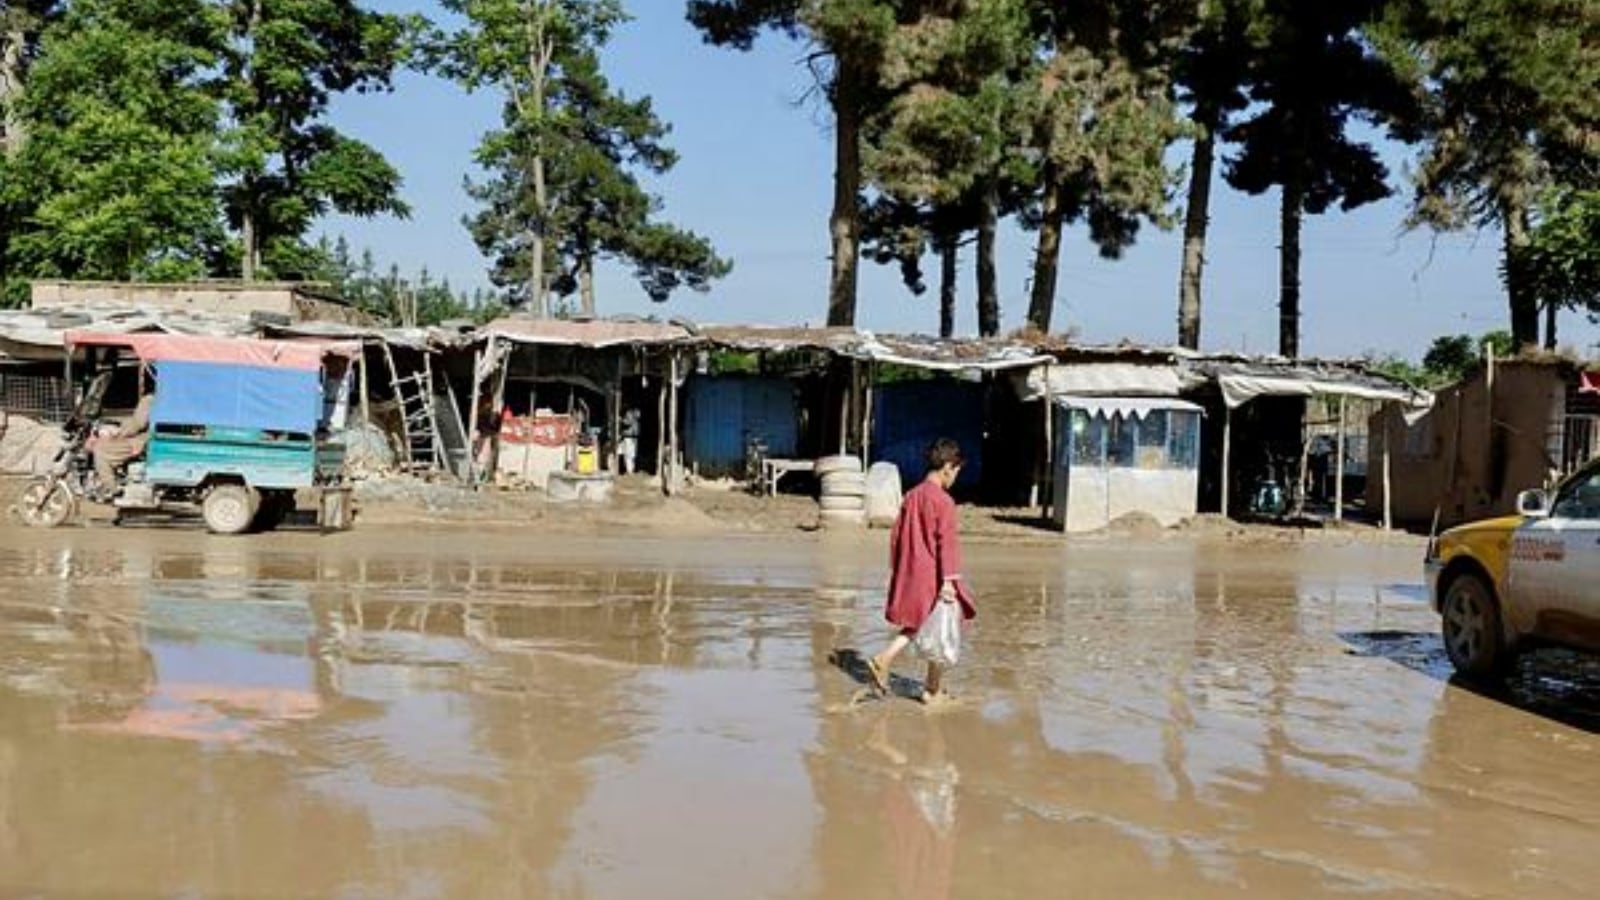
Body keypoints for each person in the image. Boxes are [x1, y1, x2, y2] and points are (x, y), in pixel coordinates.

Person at [867, 438, 977, 703]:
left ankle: (931, 688)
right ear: (948, 466)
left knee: (924, 625)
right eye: (957, 470)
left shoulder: (912, 496)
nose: (956, 477)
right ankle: (889, 661)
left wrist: (898, 568)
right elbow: (946, 544)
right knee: (940, 628)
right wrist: (949, 581)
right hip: (935, 574)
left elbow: (897, 536)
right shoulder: (944, 501)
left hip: (912, 569)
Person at [91, 383, 153, 498]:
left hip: (143, 439)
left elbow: (138, 424)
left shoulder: (150, 399)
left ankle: (113, 489)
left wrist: (117, 432)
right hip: (147, 436)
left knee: (100, 451)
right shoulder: (163, 398)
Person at [618, 406, 641, 475]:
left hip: (629, 436)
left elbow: (628, 423)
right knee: (631, 454)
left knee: (629, 454)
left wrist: (620, 420)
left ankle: (630, 470)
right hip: (631, 437)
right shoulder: (634, 414)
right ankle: (630, 470)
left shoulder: (630, 413)